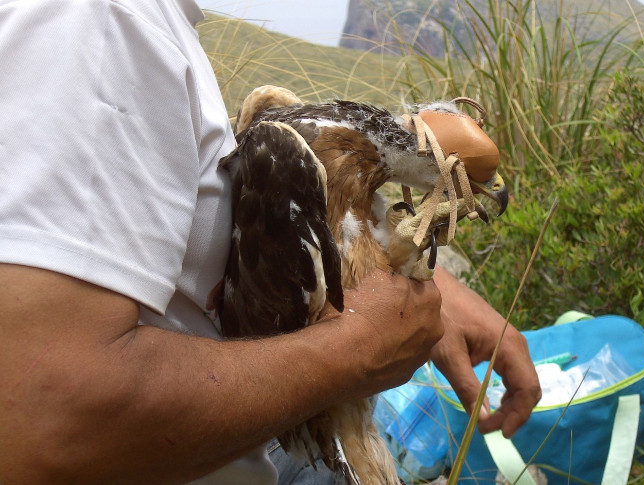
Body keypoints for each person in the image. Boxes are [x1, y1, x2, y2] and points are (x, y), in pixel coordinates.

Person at [0, 0, 541, 483]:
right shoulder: (102, 20)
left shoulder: (148, 23)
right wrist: (359, 349)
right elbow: (44, 421)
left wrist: (401, 276)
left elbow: (188, 210)